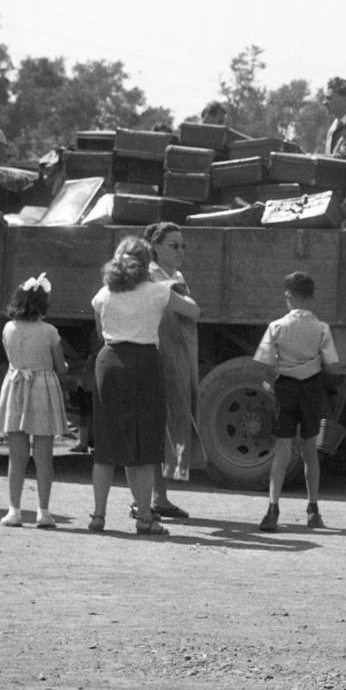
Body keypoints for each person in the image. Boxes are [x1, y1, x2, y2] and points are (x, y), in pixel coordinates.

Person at [254, 271, 346, 532]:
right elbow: (332, 364)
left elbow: (263, 362)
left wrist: (272, 384)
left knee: (281, 452)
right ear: (311, 297)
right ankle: (313, 509)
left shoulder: (277, 327)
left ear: (289, 296)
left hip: (285, 388)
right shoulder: (321, 328)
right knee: (310, 451)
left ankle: (272, 509)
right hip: (311, 389)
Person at [87, 236, 174, 535]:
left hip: (109, 362)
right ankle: (145, 517)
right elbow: (185, 312)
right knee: (145, 445)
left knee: (106, 443)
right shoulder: (158, 291)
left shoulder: (103, 294)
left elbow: (101, 333)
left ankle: (98, 516)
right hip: (144, 363)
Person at [0, 273, 69, 529]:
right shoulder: (50, 331)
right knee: (44, 455)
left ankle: (14, 510)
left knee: (17, 455)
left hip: (15, 386)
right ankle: (43, 511)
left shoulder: (8, 328)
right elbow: (60, 365)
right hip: (42, 389)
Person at [144, 222, 203, 522]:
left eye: (183, 246)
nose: (180, 251)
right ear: (155, 247)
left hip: (177, 357)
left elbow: (190, 308)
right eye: (174, 245)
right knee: (158, 427)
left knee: (170, 425)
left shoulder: (173, 277)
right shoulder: (152, 276)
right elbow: (192, 310)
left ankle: (158, 497)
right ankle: (151, 499)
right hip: (158, 357)